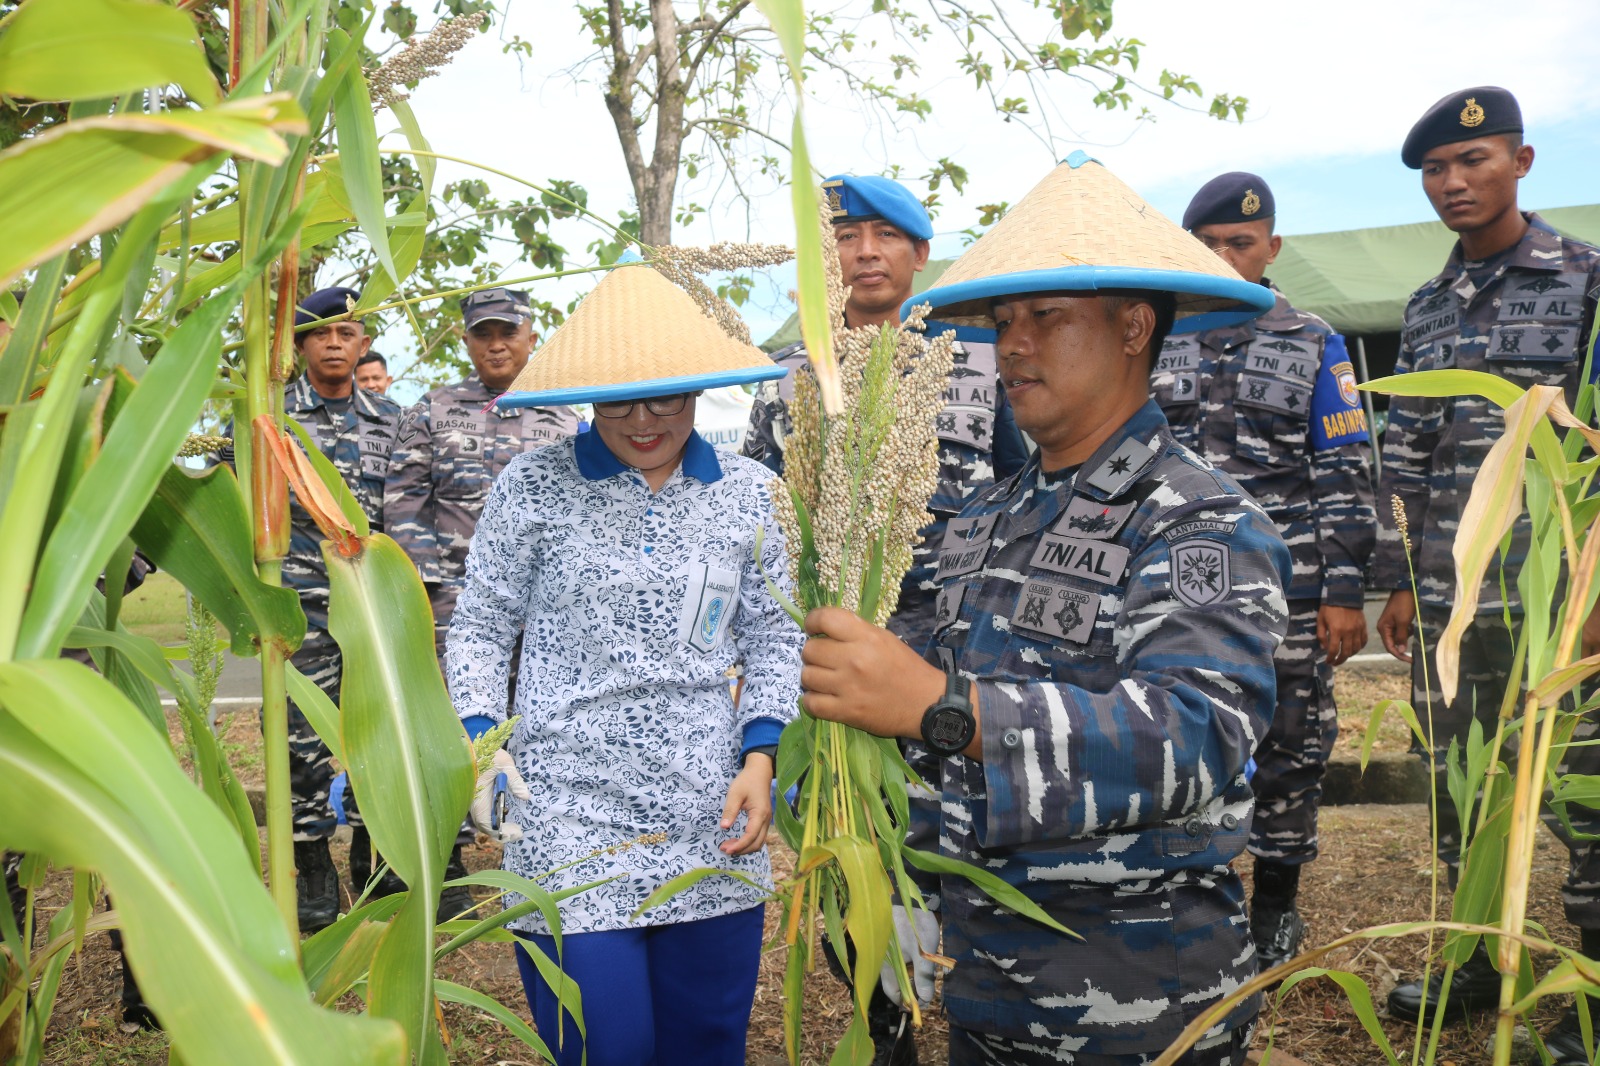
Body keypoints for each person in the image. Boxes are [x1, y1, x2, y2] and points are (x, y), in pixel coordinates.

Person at [798, 153, 1290, 1065]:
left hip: (1139, 1003)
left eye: (1046, 317)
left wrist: (944, 709)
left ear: (1135, 326)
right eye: (1002, 320)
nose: (1012, 343)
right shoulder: (987, 516)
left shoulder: (1200, 518)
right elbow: (908, 704)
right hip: (989, 990)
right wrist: (885, 856)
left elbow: (1199, 735)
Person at [446, 260, 802, 1066]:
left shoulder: (751, 492)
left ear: (700, 391)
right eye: (619, 400)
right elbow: (479, 626)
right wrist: (482, 742)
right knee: (604, 1048)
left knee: (706, 1046)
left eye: (668, 397)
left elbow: (776, 636)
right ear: (587, 397)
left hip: (710, 815)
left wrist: (762, 752)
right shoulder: (533, 485)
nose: (644, 421)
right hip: (567, 816)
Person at [743, 172, 1029, 1064]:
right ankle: (884, 1028)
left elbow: (1030, 493)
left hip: (963, 670)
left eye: (883, 236)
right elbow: (764, 519)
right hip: (835, 679)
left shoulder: (988, 359)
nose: (863, 253)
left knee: (970, 856)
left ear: (918, 252)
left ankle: (982, 1022)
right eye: (843, 237)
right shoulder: (786, 378)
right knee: (850, 847)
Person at [1374, 86, 1600, 1063]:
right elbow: (1407, 457)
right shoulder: (1425, 305)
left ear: (1521, 162)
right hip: (1447, 604)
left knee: (1583, 793)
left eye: (1473, 161)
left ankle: (1589, 989)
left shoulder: (1584, 277)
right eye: (1434, 169)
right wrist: (1394, 579)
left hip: (1560, 596)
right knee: (1459, 789)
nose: (1453, 182)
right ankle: (1478, 962)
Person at [1162, 172, 1377, 970]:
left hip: (1288, 588)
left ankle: (1277, 902)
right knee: (1178, 732)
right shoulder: (1157, 331)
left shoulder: (1312, 338)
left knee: (1291, 742)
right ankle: (1187, 891)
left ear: (1272, 248)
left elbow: (1345, 468)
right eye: (1207, 246)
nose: (1223, 257)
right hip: (1176, 589)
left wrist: (1344, 591)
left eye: (1240, 244)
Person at [385, 287, 579, 918]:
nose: (496, 344)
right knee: (448, 725)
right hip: (456, 603)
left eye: (508, 332)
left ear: (531, 334)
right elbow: (405, 498)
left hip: (547, 609)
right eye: (483, 334)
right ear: (467, 340)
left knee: (538, 722)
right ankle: (443, 858)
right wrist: (425, 585)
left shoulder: (566, 414)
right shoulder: (433, 410)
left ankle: (535, 847)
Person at [266, 286, 403, 932]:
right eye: (319, 333)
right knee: (305, 744)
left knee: (379, 734)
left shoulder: (393, 420)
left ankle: (379, 862)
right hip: (305, 610)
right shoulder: (273, 419)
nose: (333, 343)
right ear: (299, 345)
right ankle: (313, 868)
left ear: (364, 344)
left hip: (372, 608)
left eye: (346, 333)